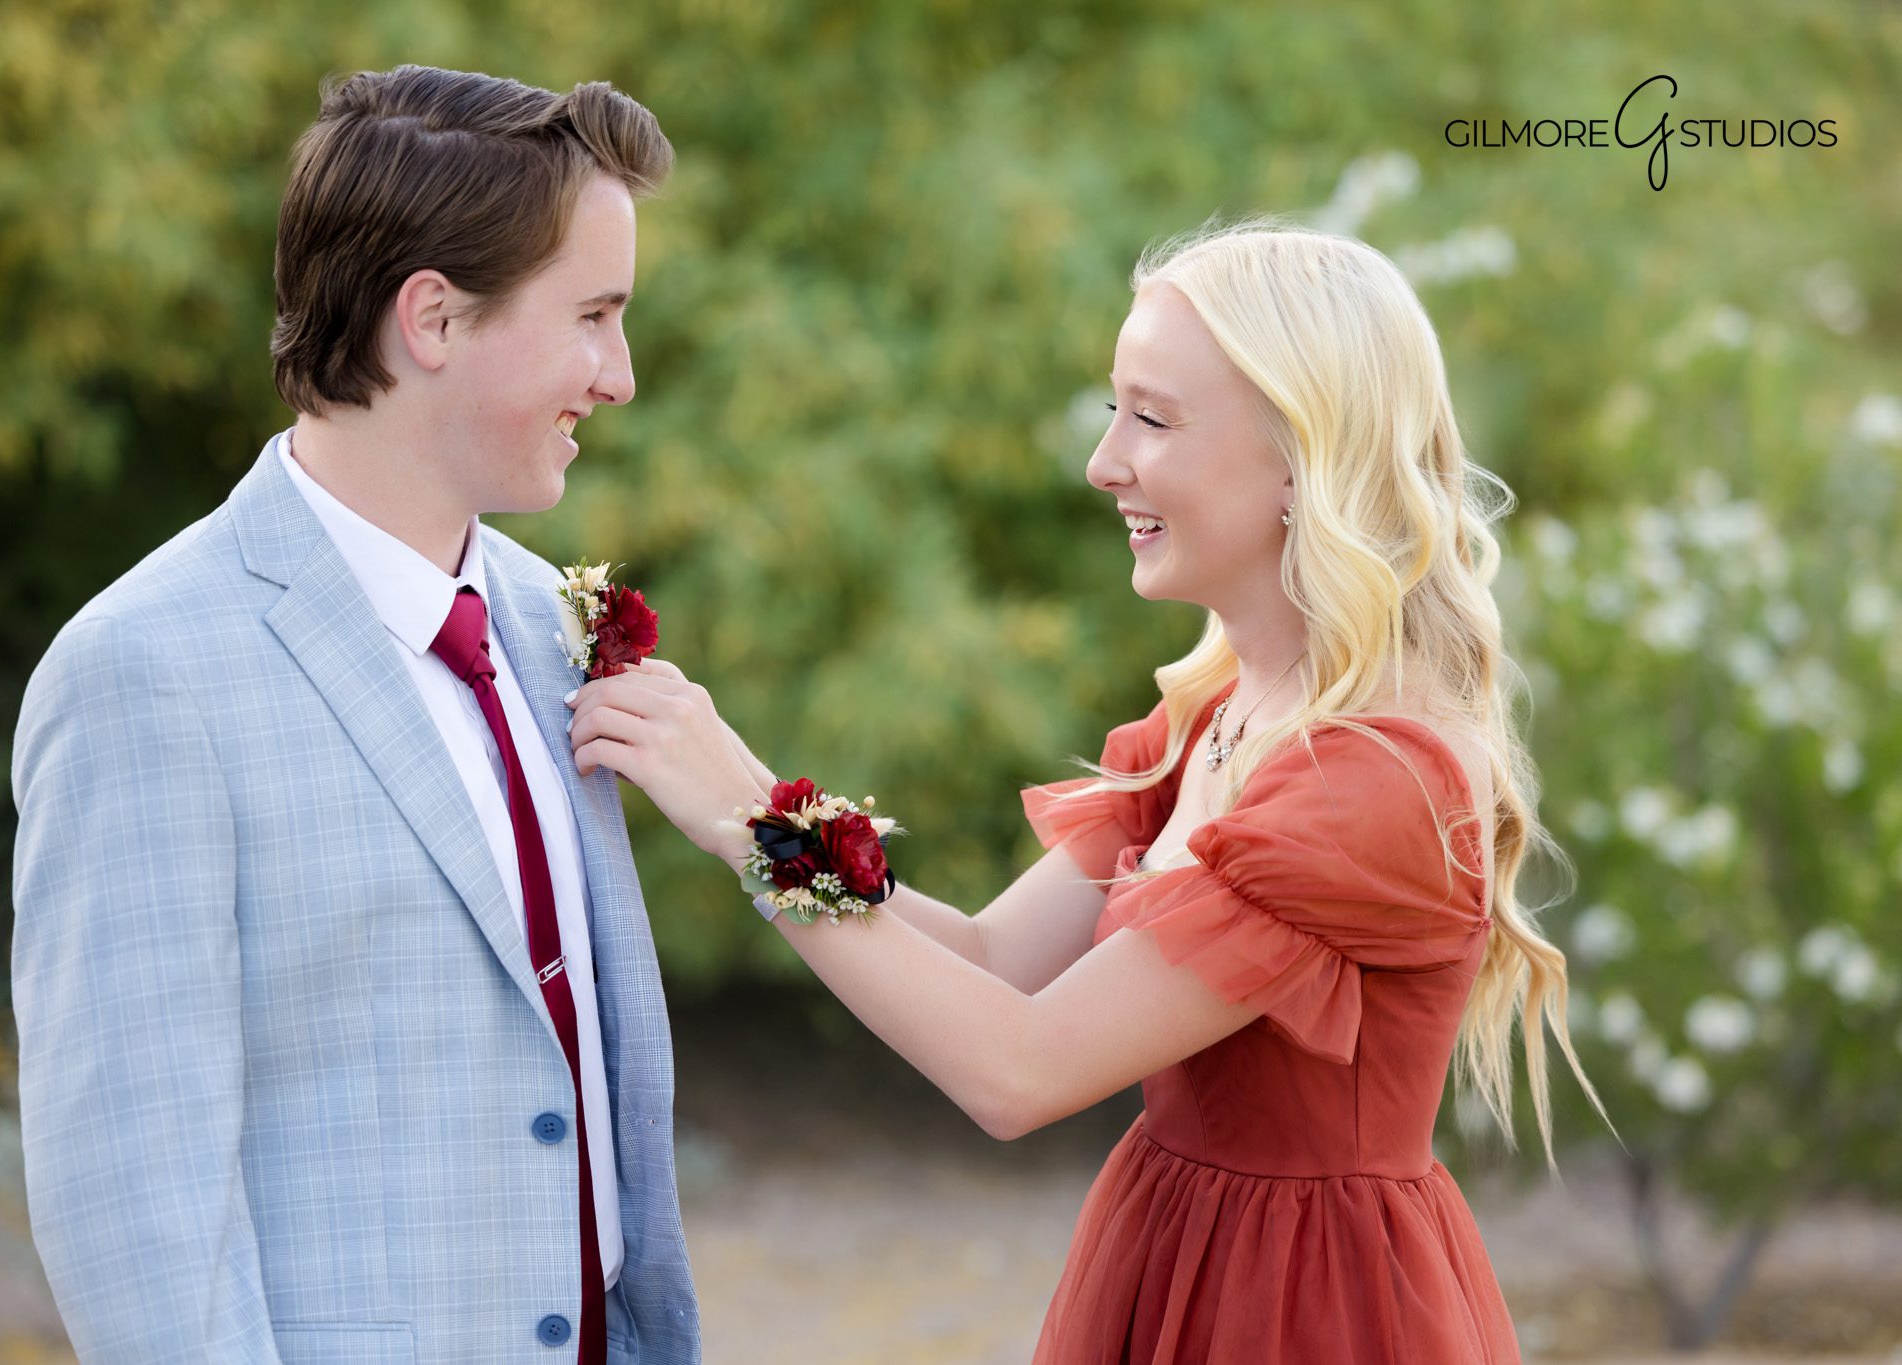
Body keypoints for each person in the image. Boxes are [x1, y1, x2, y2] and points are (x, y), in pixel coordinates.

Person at [565, 219, 1610, 1363]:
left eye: (1151, 419)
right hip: (1173, 1261)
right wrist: (760, 798)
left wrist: (749, 831)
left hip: (1310, 1310)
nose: (1103, 462)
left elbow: (1015, 1070)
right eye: (1116, 411)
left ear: (1300, 457)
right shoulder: (1209, 721)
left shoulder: (1371, 782)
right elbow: (988, 963)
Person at [10, 66, 698, 1364]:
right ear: (431, 317)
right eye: (594, 317)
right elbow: (136, 1211)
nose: (618, 376)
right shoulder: (144, 673)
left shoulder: (549, 619)